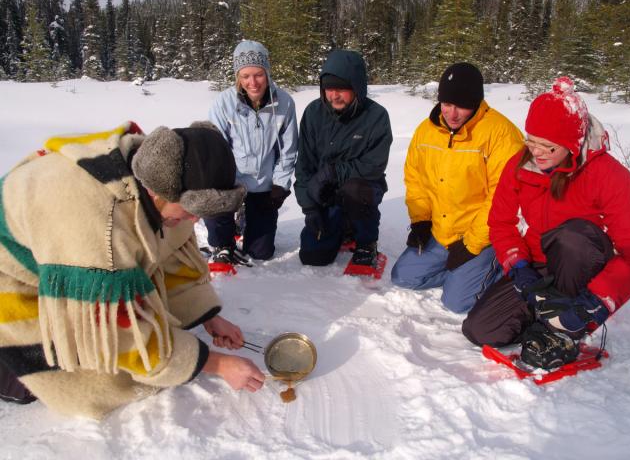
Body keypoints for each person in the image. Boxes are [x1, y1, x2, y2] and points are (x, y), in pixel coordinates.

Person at [0, 121, 266, 418]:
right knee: (100, 378)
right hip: (14, 277)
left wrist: (209, 318)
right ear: (158, 194)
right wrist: (215, 364)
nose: (195, 221)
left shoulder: (157, 168)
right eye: (191, 210)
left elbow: (173, 249)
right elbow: (113, 326)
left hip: (75, 247)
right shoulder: (97, 225)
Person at [462, 77, 630, 369]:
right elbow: (501, 223)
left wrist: (598, 301)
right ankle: (548, 312)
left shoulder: (608, 175)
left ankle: (564, 329)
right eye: (531, 141)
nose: (536, 152)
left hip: (582, 263)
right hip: (538, 263)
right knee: (479, 330)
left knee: (573, 237)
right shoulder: (520, 164)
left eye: (548, 146)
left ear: (571, 145)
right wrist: (518, 267)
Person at [391, 62, 523, 313]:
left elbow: (503, 198)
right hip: (442, 232)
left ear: (476, 103)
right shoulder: (427, 131)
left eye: (461, 106)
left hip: (483, 237)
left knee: (456, 302)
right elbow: (415, 177)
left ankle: (496, 267)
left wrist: (471, 245)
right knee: (403, 277)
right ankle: (460, 277)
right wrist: (421, 221)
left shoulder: (501, 134)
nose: (452, 114)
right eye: (447, 104)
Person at [294, 49, 393, 268]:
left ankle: (366, 241)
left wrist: (334, 171)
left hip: (360, 190)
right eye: (329, 88)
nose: (334, 95)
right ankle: (341, 227)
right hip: (326, 194)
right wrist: (310, 207)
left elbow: (373, 166)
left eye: (342, 89)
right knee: (313, 256)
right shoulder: (313, 113)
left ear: (357, 87)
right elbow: (304, 166)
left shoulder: (376, 116)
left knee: (356, 190)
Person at [206, 40, 298, 266]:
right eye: (245, 76)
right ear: (238, 76)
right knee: (216, 222)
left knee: (260, 252)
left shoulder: (284, 103)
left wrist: (280, 184)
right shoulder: (224, 104)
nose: (252, 82)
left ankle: (248, 217)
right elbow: (215, 149)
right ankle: (225, 239)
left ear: (267, 72)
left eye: (258, 74)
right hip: (232, 181)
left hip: (264, 185)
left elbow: (289, 149)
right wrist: (220, 185)